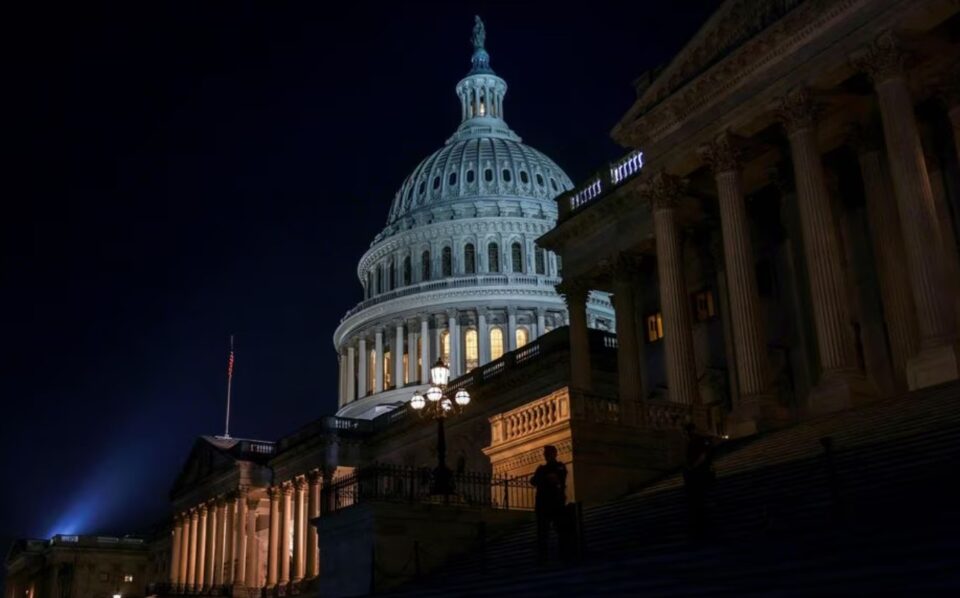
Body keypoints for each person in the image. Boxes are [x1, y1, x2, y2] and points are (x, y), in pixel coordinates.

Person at [530, 445, 568, 562]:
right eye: (546, 453)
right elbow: (533, 481)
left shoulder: (559, 467)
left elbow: (560, 478)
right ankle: (544, 556)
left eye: (548, 453)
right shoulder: (542, 469)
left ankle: (561, 553)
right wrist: (547, 478)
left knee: (559, 529)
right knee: (543, 532)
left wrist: (547, 478)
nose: (546, 455)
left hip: (554, 502)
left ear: (554, 454)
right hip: (544, 504)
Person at [682, 423, 717, 540]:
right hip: (700, 474)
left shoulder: (697, 441)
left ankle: (700, 528)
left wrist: (692, 467)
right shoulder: (699, 440)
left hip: (699, 474)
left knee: (699, 502)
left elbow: (703, 456)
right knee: (700, 502)